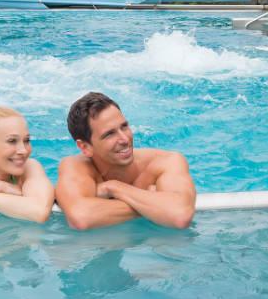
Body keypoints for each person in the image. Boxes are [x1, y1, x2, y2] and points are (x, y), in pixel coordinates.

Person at [55, 92, 196, 231]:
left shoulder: (166, 162)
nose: (125, 139)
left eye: (124, 127)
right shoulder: (75, 167)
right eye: (109, 134)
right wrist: (155, 203)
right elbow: (82, 218)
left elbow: (180, 215)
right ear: (85, 147)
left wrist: (113, 188)